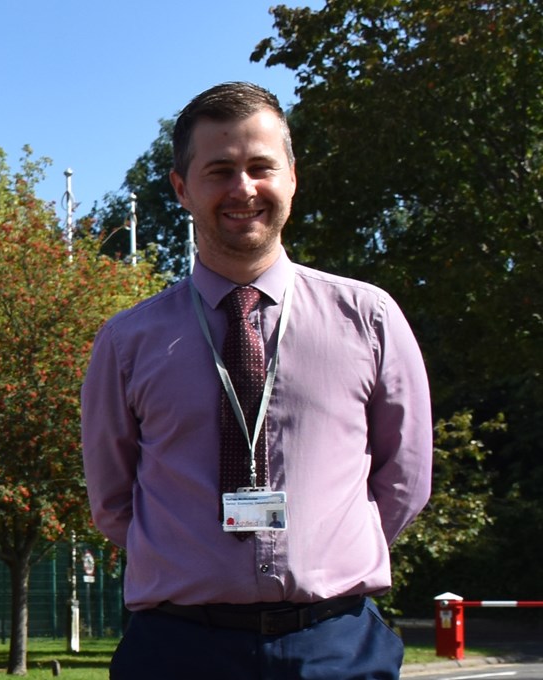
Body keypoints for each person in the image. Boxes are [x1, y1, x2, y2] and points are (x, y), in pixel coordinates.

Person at [81, 82, 432, 678]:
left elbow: (406, 479)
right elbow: (113, 501)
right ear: (181, 188)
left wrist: (329, 549)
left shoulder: (368, 318)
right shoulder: (126, 341)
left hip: (336, 647)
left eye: (260, 167)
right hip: (177, 649)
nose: (243, 189)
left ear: (291, 177)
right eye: (219, 171)